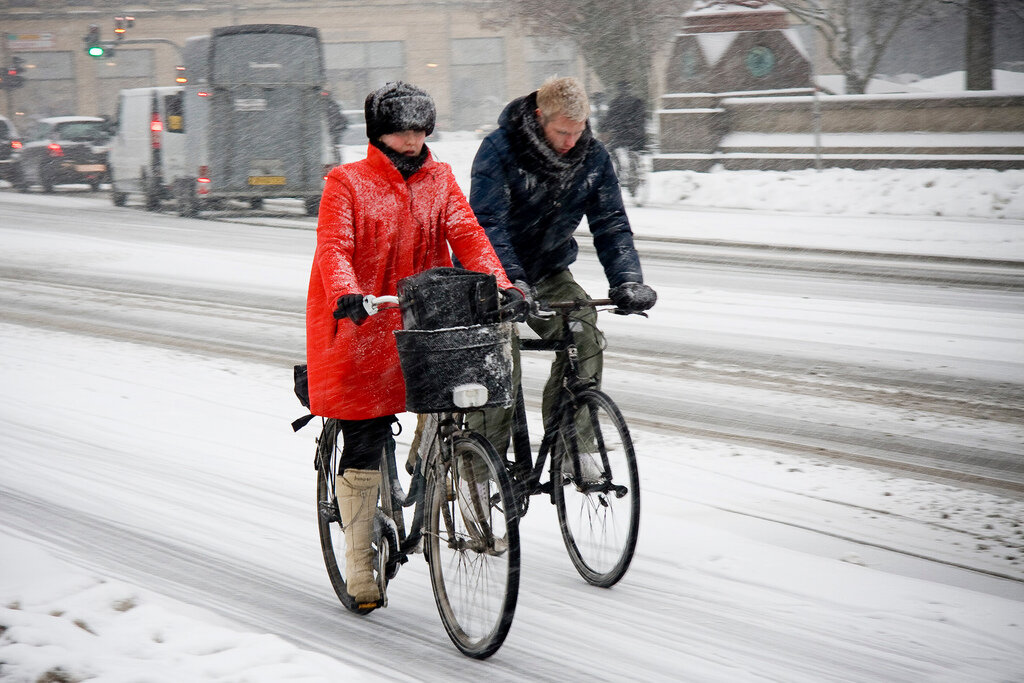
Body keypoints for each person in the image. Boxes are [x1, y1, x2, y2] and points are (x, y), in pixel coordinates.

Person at [305, 81, 520, 608]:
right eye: (402, 129)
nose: (412, 139)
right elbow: (333, 248)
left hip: (423, 319)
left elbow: (468, 236)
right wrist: (348, 294)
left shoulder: (439, 179)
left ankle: (440, 471)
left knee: (455, 399)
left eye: (420, 129)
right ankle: (359, 564)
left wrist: (501, 285)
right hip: (363, 324)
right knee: (365, 434)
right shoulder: (347, 183)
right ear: (379, 133)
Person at [467, 75, 656, 462]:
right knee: (502, 358)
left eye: (579, 130)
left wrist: (627, 280)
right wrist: (511, 281)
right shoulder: (500, 151)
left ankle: (572, 446)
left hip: (549, 272)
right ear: (539, 118)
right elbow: (488, 225)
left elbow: (611, 223)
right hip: (494, 275)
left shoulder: (593, 159)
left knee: (584, 332)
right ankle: (483, 469)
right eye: (562, 132)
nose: (571, 141)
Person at [601, 80, 648, 154]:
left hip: (620, 136)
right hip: (635, 137)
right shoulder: (637, 102)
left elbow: (609, 119)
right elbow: (641, 119)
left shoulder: (615, 103)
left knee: (610, 151)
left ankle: (619, 162)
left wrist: (604, 128)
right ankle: (633, 160)